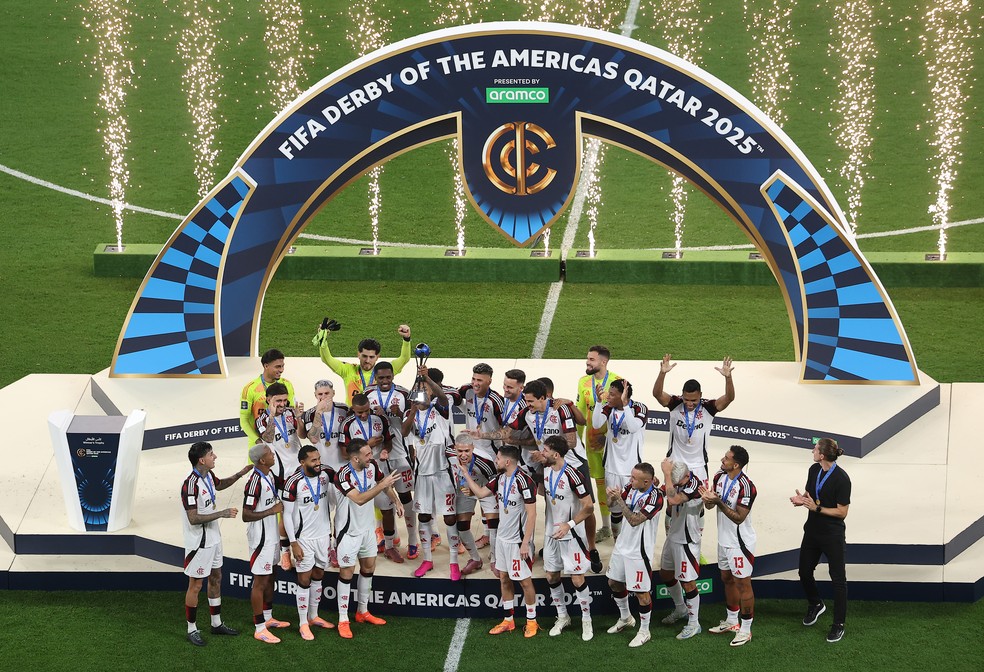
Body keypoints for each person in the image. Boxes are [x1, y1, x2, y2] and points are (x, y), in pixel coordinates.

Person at [509, 379, 603, 573]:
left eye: (531, 401)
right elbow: (513, 430)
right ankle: (556, 542)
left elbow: (572, 440)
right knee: (555, 504)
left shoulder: (561, 409)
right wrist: (484, 436)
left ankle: (591, 548)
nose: (528, 404)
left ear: (546, 397)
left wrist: (547, 455)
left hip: (574, 463)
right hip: (549, 464)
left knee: (587, 507)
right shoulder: (529, 413)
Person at [458, 444, 540, 637]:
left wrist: (526, 542)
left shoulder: (524, 481)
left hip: (517, 542)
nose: (495, 461)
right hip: (502, 540)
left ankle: (532, 621)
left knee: (525, 582)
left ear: (507, 461)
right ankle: (508, 620)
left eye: (497, 459)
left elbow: (532, 514)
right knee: (504, 578)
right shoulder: (498, 479)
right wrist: (465, 473)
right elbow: (479, 493)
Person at [181, 441, 250, 646]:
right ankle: (191, 628)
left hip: (214, 537)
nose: (215, 457)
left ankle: (216, 623)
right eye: (211, 454)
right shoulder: (190, 486)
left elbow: (219, 485)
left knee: (216, 576)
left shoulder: (208, 476)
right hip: (199, 542)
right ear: (202, 460)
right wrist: (222, 513)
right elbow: (193, 518)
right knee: (196, 584)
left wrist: (239, 474)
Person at [333, 438, 404, 639]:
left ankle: (362, 612)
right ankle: (342, 619)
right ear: (355, 458)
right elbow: (360, 499)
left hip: (367, 530)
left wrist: (396, 500)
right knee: (347, 573)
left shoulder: (371, 466)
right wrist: (382, 485)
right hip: (348, 533)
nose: (371, 457)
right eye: (367, 454)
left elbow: (385, 484)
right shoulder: (343, 475)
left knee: (368, 568)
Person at [790, 437, 851, 643]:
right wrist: (802, 500)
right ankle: (816, 603)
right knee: (804, 572)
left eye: (815, 449)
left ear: (822, 455)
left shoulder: (842, 479)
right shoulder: (813, 470)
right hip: (812, 531)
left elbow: (842, 512)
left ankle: (838, 624)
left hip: (832, 535)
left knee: (838, 581)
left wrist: (817, 508)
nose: (812, 451)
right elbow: (811, 493)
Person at [539, 435, 596, 641]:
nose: (542, 453)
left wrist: (569, 525)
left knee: (577, 578)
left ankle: (586, 620)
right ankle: (563, 617)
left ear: (555, 454)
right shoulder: (545, 471)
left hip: (571, 535)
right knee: (551, 576)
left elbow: (589, 506)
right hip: (551, 534)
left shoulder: (574, 474)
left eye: (545, 450)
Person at [402, 367, 457, 578]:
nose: (423, 393)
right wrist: (413, 412)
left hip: (443, 472)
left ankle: (453, 562)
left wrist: (426, 378)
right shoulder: (411, 414)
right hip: (422, 474)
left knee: (449, 517)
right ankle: (427, 560)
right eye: (419, 389)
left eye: (426, 389)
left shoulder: (441, 408)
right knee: (424, 516)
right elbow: (405, 432)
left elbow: (443, 396)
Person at [700, 445, 757, 647]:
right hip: (723, 540)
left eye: (726, 458)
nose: (722, 460)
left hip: (739, 544)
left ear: (736, 464)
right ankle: (732, 621)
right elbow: (710, 504)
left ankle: (746, 629)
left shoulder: (747, 486)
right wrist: (708, 500)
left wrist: (718, 502)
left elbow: (740, 518)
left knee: (743, 584)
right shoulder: (719, 476)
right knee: (726, 578)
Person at [605, 462, 664, 648]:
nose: (629, 480)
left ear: (646, 481)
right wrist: (611, 497)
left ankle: (644, 631)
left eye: (634, 478)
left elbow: (634, 520)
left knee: (641, 592)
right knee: (613, 582)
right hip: (622, 546)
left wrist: (619, 501)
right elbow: (610, 506)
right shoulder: (630, 487)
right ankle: (625, 618)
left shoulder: (656, 497)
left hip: (639, 552)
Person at [652, 354, 735, 484]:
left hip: (699, 466)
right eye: (686, 399)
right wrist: (662, 374)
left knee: (699, 502)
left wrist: (728, 378)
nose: (689, 403)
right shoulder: (675, 403)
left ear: (700, 395)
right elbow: (657, 394)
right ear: (682, 395)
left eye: (694, 400)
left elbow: (729, 398)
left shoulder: (708, 407)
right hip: (675, 463)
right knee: (673, 502)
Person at [364, 361, 416, 560]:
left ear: (393, 375)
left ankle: (412, 541)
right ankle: (390, 542)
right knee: (384, 502)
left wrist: (400, 414)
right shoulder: (368, 393)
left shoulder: (403, 395)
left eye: (388, 377)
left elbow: (409, 428)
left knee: (405, 497)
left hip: (399, 455)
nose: (385, 381)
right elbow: (361, 417)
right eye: (380, 378)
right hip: (377, 456)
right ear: (375, 378)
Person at [283, 446, 336, 641]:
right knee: (304, 579)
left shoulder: (326, 473)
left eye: (318, 459)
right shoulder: (292, 482)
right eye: (313, 460)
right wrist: (293, 543)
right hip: (303, 538)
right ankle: (303, 623)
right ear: (302, 463)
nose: (318, 463)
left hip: (323, 536)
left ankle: (314, 616)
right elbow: (286, 515)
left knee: (319, 574)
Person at [242, 443, 290, 644]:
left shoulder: (269, 475)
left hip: (272, 536)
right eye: (270, 453)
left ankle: (268, 618)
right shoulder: (254, 482)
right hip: (261, 539)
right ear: (262, 460)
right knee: (260, 582)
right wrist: (273, 510)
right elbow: (246, 515)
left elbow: (285, 483)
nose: (273, 455)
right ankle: (259, 627)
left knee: (271, 576)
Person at [456, 363, 505, 550]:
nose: (475, 383)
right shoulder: (466, 391)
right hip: (469, 452)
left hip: (490, 455)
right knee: (467, 490)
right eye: (474, 379)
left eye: (480, 380)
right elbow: (452, 399)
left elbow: (505, 432)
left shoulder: (496, 401)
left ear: (489, 381)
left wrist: (483, 436)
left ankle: (488, 535)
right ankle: (465, 536)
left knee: (488, 495)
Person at [591, 379, 647, 540]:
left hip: (632, 470)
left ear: (623, 395)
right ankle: (617, 541)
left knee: (632, 508)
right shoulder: (608, 407)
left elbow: (633, 427)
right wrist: (599, 402)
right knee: (615, 509)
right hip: (612, 467)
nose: (608, 396)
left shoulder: (638, 408)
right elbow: (596, 424)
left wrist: (625, 405)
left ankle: (632, 541)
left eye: (612, 394)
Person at [575, 345, 621, 542]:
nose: (588, 362)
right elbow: (580, 413)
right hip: (592, 443)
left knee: (616, 485)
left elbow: (622, 414)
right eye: (588, 359)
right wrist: (576, 442)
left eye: (592, 359)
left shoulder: (617, 381)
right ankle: (606, 526)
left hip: (613, 444)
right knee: (600, 484)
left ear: (603, 362)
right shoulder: (583, 382)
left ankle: (621, 526)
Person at [658, 459, 705, 639]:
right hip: (674, 536)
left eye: (677, 482)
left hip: (687, 540)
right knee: (666, 574)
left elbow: (673, 499)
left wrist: (667, 474)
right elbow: (667, 491)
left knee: (688, 583)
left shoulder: (694, 486)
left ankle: (694, 624)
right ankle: (681, 609)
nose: (674, 485)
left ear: (686, 475)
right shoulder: (679, 479)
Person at [315, 323, 413, 404]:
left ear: (378, 356)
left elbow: (404, 358)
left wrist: (406, 339)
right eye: (364, 356)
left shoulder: (383, 372)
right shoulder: (348, 370)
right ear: (358, 354)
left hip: (377, 418)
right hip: (352, 417)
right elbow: (326, 359)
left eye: (371, 357)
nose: (367, 360)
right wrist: (323, 340)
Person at [447, 433, 495, 576]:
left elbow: (495, 484)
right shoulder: (447, 453)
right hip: (464, 489)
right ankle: (475, 559)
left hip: (486, 489)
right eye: (460, 451)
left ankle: (496, 560)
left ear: (472, 448)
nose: (463, 455)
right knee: (462, 526)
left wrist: (476, 492)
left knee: (494, 525)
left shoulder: (485, 462)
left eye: (467, 451)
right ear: (455, 448)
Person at [239, 349, 296, 450]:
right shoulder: (250, 389)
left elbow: (292, 412)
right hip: (259, 444)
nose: (282, 370)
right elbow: (244, 420)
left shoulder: (287, 385)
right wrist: (257, 440)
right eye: (278, 366)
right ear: (266, 366)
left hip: (283, 442)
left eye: (283, 366)